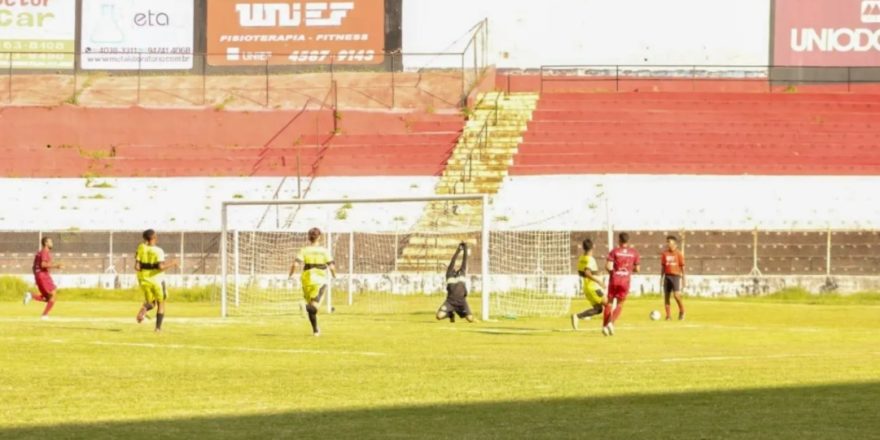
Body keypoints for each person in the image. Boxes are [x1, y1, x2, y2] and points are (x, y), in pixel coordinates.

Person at [289, 228, 336, 336]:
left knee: (312, 308)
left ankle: (315, 331)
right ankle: (304, 306)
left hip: (306, 280)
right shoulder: (324, 251)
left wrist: (290, 274)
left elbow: (295, 265)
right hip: (319, 281)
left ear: (309, 237)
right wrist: (334, 275)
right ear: (319, 237)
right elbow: (332, 266)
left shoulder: (304, 250)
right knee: (314, 307)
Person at [136, 229, 177, 332]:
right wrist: (172, 263)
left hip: (144, 280)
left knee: (151, 302)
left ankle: (144, 309)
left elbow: (137, 267)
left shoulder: (141, 248)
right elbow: (160, 267)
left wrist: (146, 267)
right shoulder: (158, 251)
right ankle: (158, 328)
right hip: (157, 280)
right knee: (160, 303)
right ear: (154, 237)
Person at [602, 232, 640, 336]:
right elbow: (637, 269)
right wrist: (628, 271)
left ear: (619, 240)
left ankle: (605, 327)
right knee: (620, 304)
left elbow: (608, 266)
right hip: (625, 281)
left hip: (614, 280)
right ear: (628, 241)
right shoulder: (634, 253)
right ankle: (611, 323)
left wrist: (614, 273)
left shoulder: (614, 251)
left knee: (609, 303)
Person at [24, 237, 63, 320]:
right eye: (50, 241)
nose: (52, 243)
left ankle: (31, 296)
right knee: (53, 295)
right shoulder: (45, 252)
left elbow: (34, 267)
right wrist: (56, 266)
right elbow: (43, 265)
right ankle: (44, 315)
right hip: (43, 276)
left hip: (40, 276)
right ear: (46, 243)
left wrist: (36, 276)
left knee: (48, 298)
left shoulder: (40, 253)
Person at [571, 238, 605, 330]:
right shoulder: (590, 259)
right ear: (592, 247)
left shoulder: (581, 258)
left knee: (598, 309)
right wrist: (599, 281)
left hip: (586, 287)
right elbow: (587, 273)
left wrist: (595, 274)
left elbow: (580, 273)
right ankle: (608, 325)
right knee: (608, 303)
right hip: (594, 287)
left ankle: (577, 316)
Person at [437, 242, 474, 323]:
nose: (453, 266)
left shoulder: (462, 272)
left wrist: (465, 249)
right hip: (450, 301)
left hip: (462, 301)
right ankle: (450, 314)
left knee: (470, 319)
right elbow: (453, 260)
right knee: (439, 316)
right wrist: (458, 250)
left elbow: (464, 260)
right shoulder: (449, 274)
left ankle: (460, 313)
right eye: (451, 266)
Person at [660, 235, 686, 321]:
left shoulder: (679, 254)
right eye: (667, 242)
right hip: (667, 276)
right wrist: (661, 278)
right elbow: (663, 267)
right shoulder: (664, 254)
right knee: (666, 296)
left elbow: (682, 267)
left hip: (676, 276)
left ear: (674, 243)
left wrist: (684, 279)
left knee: (676, 295)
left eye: (669, 242)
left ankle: (682, 311)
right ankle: (668, 316)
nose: (667, 244)